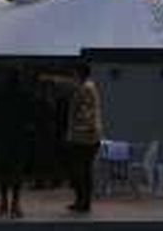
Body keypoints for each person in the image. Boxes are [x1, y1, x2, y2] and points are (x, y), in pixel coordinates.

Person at [0, 67, 35, 218]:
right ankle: (15, 204)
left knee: (4, 171)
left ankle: (4, 202)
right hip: (19, 138)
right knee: (17, 172)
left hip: (4, 137)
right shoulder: (25, 95)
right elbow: (30, 117)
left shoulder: (0, 95)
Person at [66, 62, 103, 213]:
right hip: (86, 136)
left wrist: (76, 131)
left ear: (80, 73)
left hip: (85, 138)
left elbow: (86, 113)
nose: (73, 77)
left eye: (74, 73)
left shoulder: (86, 88)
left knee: (81, 170)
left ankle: (83, 202)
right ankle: (82, 201)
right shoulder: (87, 87)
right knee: (82, 170)